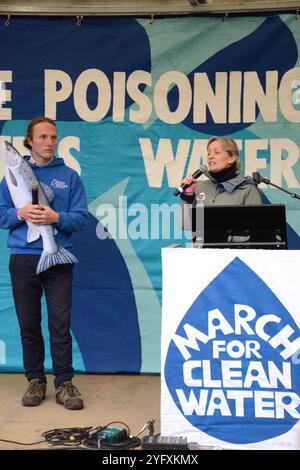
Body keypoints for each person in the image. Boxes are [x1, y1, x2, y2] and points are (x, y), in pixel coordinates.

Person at [0, 117, 88, 410]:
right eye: (42, 137)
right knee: (28, 323)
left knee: (60, 324)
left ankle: (64, 382)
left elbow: (81, 217)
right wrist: (21, 212)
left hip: (58, 258)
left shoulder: (70, 176)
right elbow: (2, 215)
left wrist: (56, 218)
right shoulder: (11, 175)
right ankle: (35, 380)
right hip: (23, 258)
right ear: (29, 141)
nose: (49, 142)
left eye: (53, 137)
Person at [180, 136, 262, 206]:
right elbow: (187, 223)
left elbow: (256, 224)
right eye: (209, 153)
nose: (210, 156)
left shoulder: (248, 189)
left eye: (217, 152)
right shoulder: (199, 187)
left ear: (232, 158)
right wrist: (188, 195)